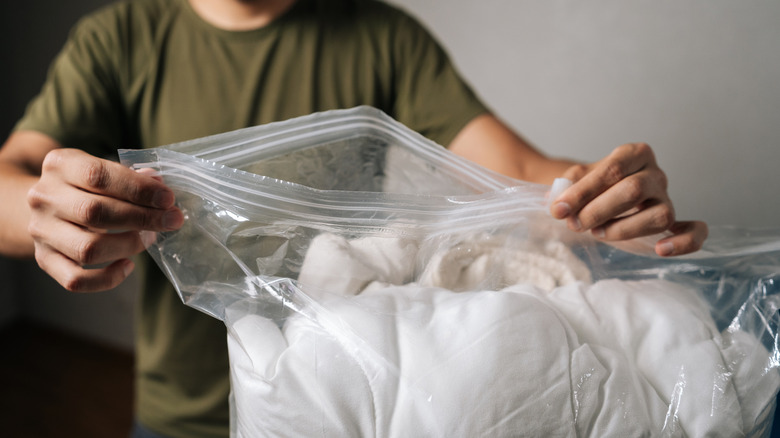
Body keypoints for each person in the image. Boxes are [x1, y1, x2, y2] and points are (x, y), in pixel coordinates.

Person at [0, 0, 708, 436]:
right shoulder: (120, 37)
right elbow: (14, 178)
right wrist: (49, 216)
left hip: (352, 418)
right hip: (180, 417)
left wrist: (603, 196)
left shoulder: (382, 36)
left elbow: (521, 177)